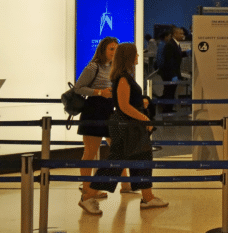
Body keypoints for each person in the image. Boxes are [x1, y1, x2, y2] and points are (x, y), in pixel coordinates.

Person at [80, 43, 168, 215]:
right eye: (135, 54)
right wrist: (144, 118)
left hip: (130, 127)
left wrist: (141, 102)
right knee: (115, 164)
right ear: (128, 57)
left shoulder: (125, 76)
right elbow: (123, 106)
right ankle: (87, 197)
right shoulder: (122, 77)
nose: (138, 57)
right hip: (126, 128)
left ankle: (148, 197)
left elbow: (126, 101)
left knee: (142, 159)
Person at [74, 37, 133, 198]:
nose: (114, 52)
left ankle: (126, 184)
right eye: (111, 49)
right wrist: (100, 92)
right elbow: (78, 88)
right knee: (90, 151)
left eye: (116, 49)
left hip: (108, 110)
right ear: (103, 50)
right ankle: (87, 188)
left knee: (118, 148)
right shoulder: (94, 66)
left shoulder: (116, 68)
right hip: (93, 110)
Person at [158, 27, 187, 113]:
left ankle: (169, 108)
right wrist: (173, 75)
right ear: (174, 34)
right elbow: (170, 61)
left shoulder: (175, 44)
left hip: (173, 72)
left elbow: (177, 55)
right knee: (169, 91)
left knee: (171, 91)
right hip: (170, 73)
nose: (183, 35)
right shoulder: (170, 44)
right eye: (180, 34)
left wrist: (186, 53)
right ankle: (167, 110)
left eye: (183, 33)